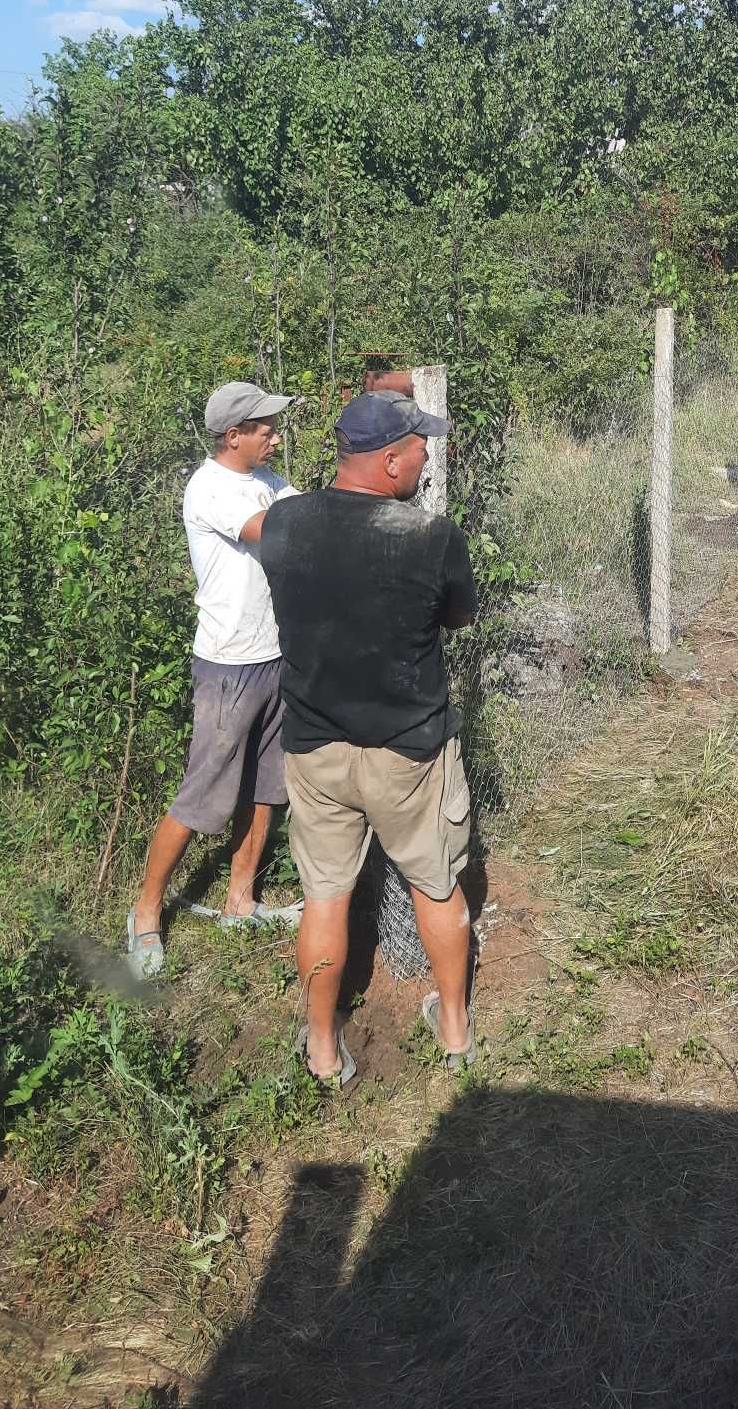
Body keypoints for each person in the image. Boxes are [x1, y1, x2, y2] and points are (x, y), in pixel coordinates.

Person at [251, 389, 478, 1088]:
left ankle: (322, 1047)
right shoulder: (428, 537)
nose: (425, 459)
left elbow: (261, 539)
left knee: (324, 897)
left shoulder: (283, 524)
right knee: (437, 886)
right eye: (418, 448)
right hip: (408, 750)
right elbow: (458, 618)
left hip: (315, 746)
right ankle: (454, 1030)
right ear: (388, 462)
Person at [126, 381, 301, 979]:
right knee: (204, 794)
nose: (276, 436)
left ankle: (240, 900)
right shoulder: (209, 488)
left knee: (265, 786)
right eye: (265, 429)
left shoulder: (269, 481)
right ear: (234, 436)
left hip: (277, 655)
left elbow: (302, 515)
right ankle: (146, 910)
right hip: (229, 663)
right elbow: (277, 532)